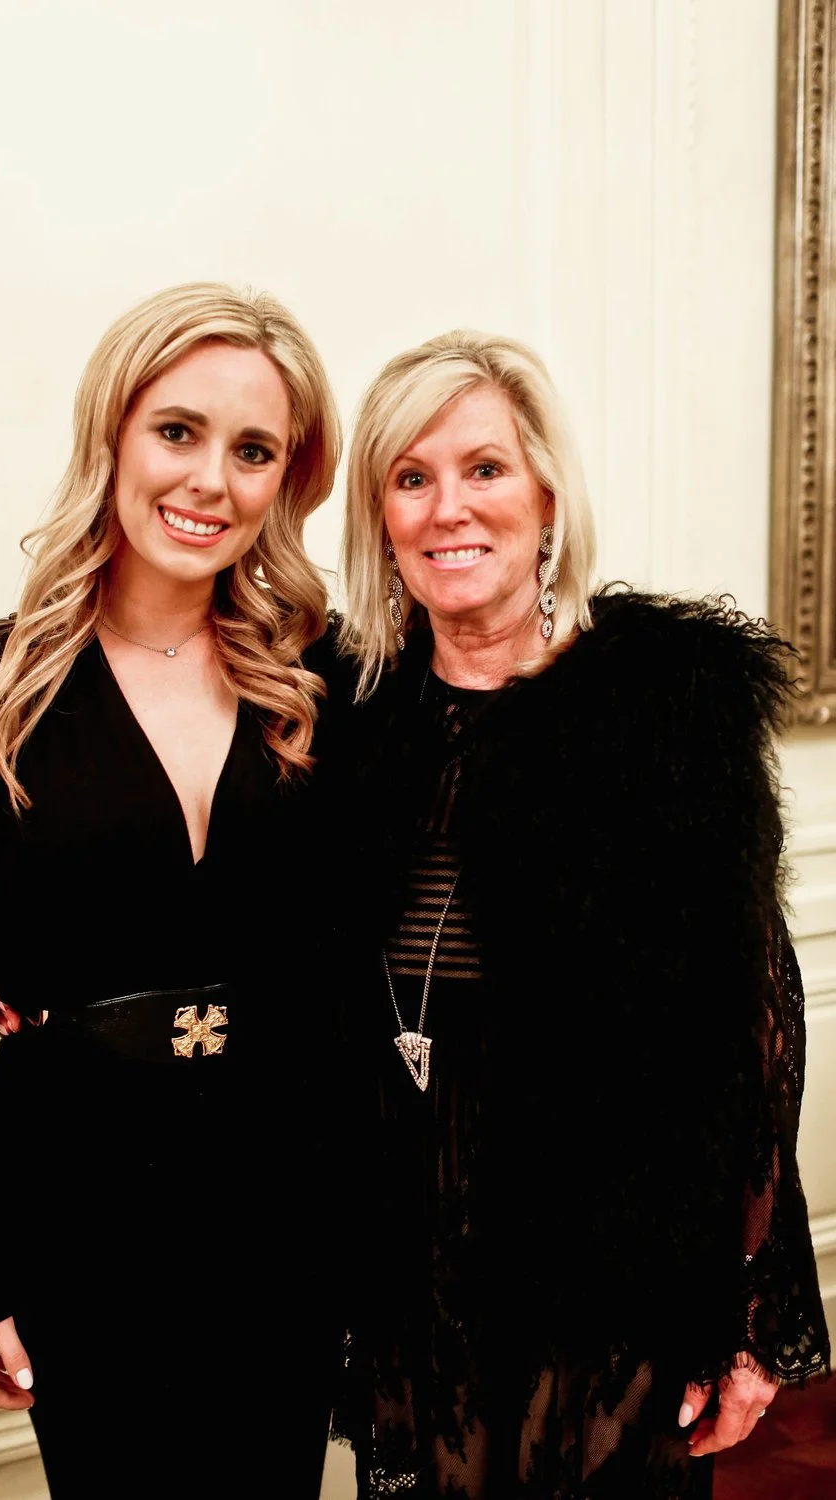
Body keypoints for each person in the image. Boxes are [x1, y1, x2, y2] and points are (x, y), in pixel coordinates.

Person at [328, 329, 831, 1498]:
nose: (448, 507)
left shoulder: (663, 709)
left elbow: (751, 1022)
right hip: (410, 1246)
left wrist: (751, 1305)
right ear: (380, 517)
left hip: (608, 1243)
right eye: (411, 477)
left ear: (547, 494)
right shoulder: (346, 716)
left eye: (484, 468)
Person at [0, 282, 346, 1498]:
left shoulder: (323, 673)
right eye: (178, 431)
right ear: (113, 433)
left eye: (253, 450)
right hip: (73, 1196)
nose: (210, 480)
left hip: (283, 1192)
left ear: (287, 478)